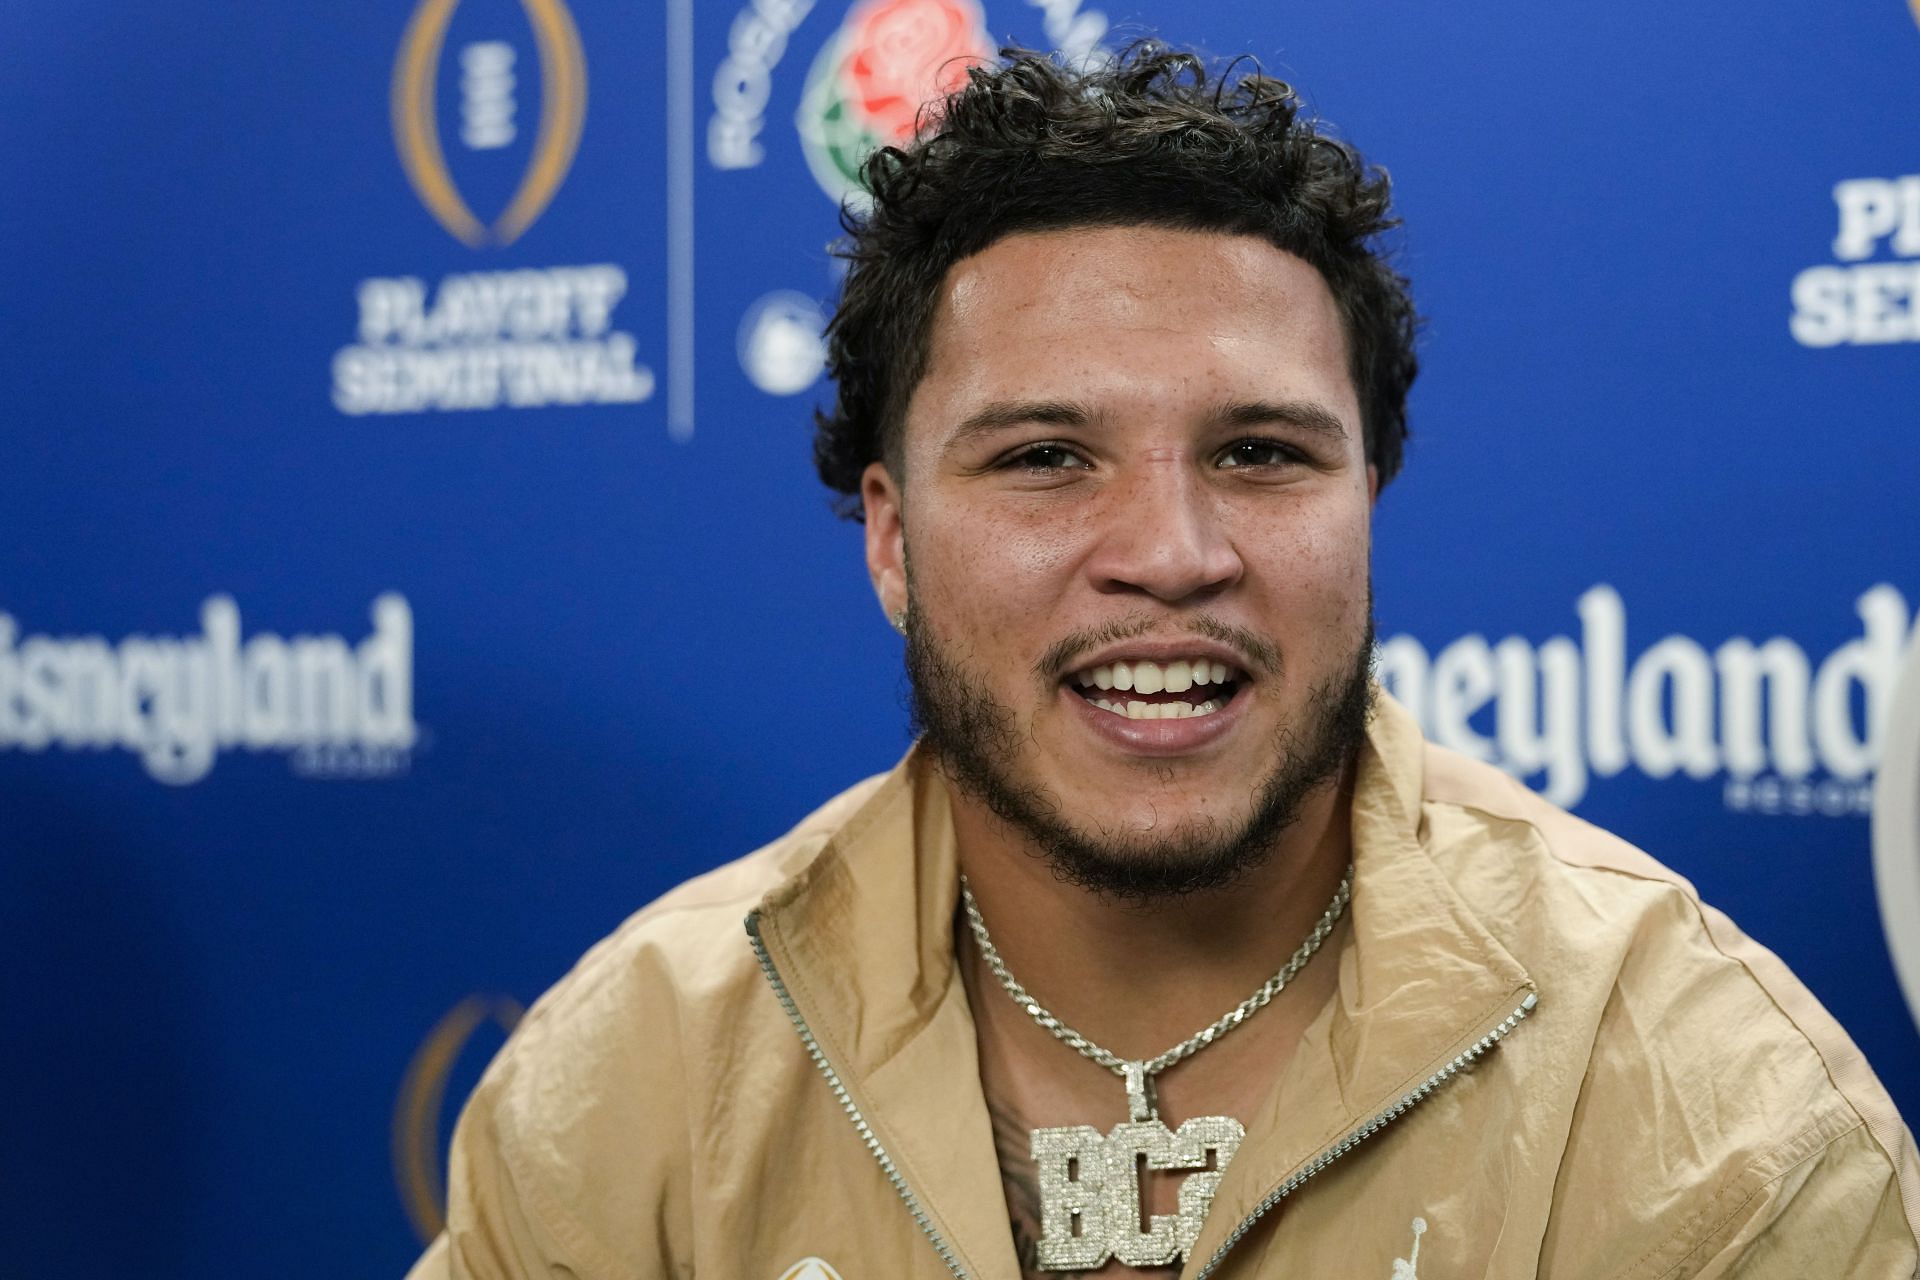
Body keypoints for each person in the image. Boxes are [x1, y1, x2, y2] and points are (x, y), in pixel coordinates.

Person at [407, 44, 1920, 1279]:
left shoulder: (1707, 1101)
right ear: (889, 540)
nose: (1173, 550)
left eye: (1261, 453)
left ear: (1367, 506)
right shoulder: (636, 1082)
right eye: (1047, 457)